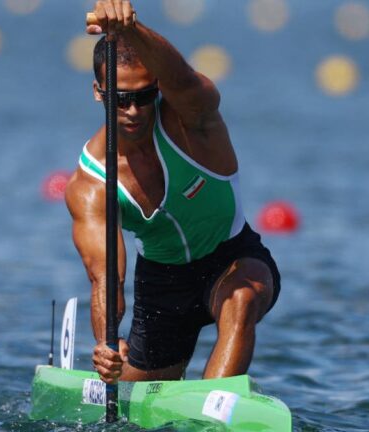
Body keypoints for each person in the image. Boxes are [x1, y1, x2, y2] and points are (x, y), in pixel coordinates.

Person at [65, 0, 281, 385]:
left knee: (241, 298)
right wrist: (106, 342)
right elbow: (105, 279)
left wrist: (131, 28)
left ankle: (212, 415)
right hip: (162, 285)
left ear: (158, 89)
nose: (133, 111)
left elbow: (182, 77)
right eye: (120, 98)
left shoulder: (192, 120)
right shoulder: (91, 183)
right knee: (135, 389)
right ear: (99, 93)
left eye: (144, 96)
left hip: (231, 257)